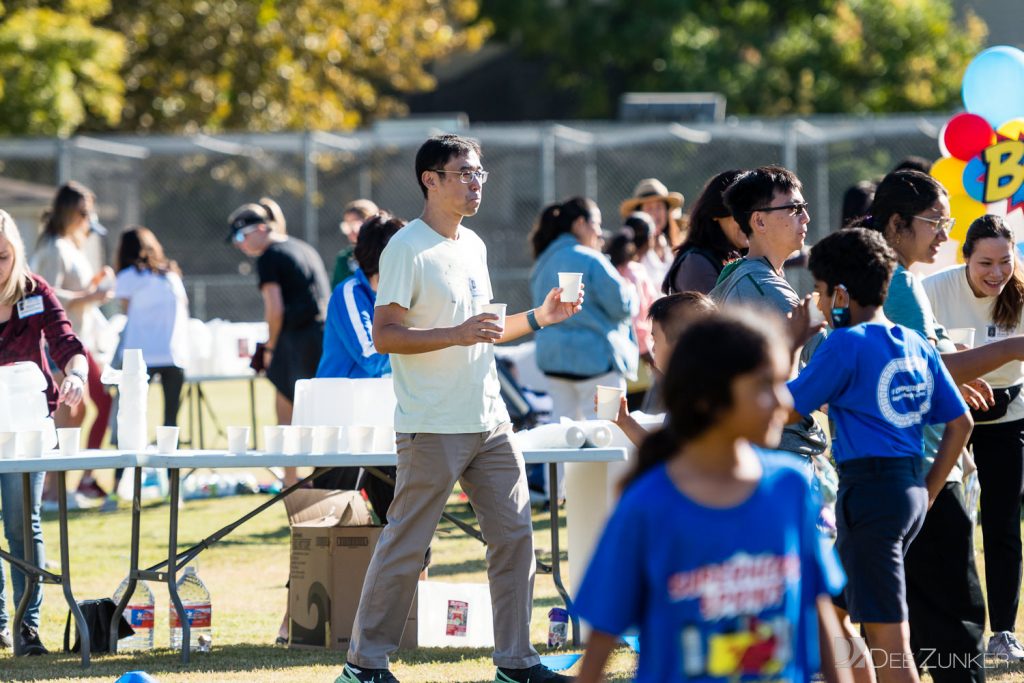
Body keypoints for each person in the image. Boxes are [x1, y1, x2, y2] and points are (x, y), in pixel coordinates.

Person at [338, 134, 583, 683]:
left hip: (490, 420)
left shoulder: (472, 245)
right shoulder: (406, 248)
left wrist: (541, 316)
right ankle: (363, 665)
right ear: (431, 180)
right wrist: (455, 332)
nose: (477, 183)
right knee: (407, 545)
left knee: (516, 539)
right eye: (465, 174)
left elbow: (485, 333)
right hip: (432, 424)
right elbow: (386, 335)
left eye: (481, 174)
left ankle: (516, 662)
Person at [574, 308, 848, 683]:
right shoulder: (648, 505)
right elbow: (599, 645)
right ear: (708, 399)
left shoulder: (790, 487)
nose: (785, 403)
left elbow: (819, 612)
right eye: (764, 386)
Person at [789, 228, 974, 683]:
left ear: (841, 294)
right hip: (906, 490)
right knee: (830, 610)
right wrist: (927, 493)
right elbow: (961, 422)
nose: (818, 300)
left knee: (892, 645)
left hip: (870, 496)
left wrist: (792, 340)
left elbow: (783, 410)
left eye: (820, 291)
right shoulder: (914, 342)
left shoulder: (843, 344)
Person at [922, 213, 1024, 664]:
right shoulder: (933, 290)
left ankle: (1003, 631)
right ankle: (942, 631)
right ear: (966, 259)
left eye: (1005, 260)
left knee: (1002, 525)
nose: (997, 273)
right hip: (949, 411)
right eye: (985, 262)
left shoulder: (1019, 293)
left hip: (1009, 412)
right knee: (946, 522)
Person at [0, 209, 88, 655]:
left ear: (16, 252)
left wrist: (75, 375)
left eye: (1, 256)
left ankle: (25, 628)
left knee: (21, 525)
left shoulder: (35, 292)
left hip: (29, 430)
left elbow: (69, 345)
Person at [709, 165, 829, 459]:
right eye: (794, 208)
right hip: (776, 450)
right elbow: (827, 359)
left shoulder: (749, 275)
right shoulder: (761, 286)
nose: (806, 217)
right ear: (759, 221)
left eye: (804, 207)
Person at [228, 197, 330, 485]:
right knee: (320, 412)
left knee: (286, 410)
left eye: (241, 235)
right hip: (322, 338)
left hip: (295, 339)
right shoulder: (303, 247)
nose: (239, 244)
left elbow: (274, 308)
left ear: (261, 228)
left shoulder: (270, 256)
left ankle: (291, 480)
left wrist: (270, 347)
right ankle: (322, 477)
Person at [32, 181, 114, 503]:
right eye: (84, 212)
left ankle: (58, 489)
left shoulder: (69, 245)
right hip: (59, 344)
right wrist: (89, 295)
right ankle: (52, 492)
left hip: (78, 343)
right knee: (67, 413)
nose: (87, 219)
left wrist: (92, 289)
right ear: (70, 212)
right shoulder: (53, 247)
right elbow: (48, 294)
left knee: (77, 413)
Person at [528, 197, 637, 424]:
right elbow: (622, 307)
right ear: (579, 223)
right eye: (596, 223)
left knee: (564, 436)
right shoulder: (591, 258)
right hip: (597, 362)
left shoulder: (542, 262)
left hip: (554, 363)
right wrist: (631, 290)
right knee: (609, 431)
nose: (599, 232)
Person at [609, 291, 716, 445]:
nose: (653, 349)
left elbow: (671, 458)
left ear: (679, 344)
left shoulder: (696, 398)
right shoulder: (694, 386)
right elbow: (667, 452)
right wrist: (625, 421)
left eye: (655, 339)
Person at [113, 226, 189, 432]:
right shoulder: (172, 276)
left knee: (131, 418)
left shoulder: (128, 277)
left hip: (139, 357)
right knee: (171, 424)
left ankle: (123, 466)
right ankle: (172, 466)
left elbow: (126, 311)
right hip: (173, 356)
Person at [663, 169, 747, 295]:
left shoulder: (749, 256)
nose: (750, 220)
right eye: (740, 210)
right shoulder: (697, 264)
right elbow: (719, 314)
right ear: (716, 211)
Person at [606, 227, 658, 408]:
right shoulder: (636, 272)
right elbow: (640, 315)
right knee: (638, 411)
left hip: (613, 353)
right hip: (637, 353)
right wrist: (646, 351)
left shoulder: (609, 272)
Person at [619, 178, 685, 283]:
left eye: (659, 207)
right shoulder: (632, 251)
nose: (655, 213)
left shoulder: (676, 246)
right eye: (649, 208)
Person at [331, 199, 379, 289]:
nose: (351, 232)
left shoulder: (385, 254)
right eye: (347, 226)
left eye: (355, 225)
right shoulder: (344, 258)